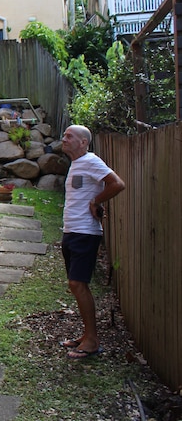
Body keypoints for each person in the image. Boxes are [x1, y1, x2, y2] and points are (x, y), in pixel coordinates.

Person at [59, 125, 125, 359]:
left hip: (85, 232)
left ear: (83, 142)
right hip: (72, 231)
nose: (64, 139)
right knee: (76, 285)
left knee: (78, 284)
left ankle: (92, 341)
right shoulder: (77, 164)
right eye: (65, 136)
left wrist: (96, 200)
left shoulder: (91, 161)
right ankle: (87, 335)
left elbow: (117, 183)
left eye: (70, 137)